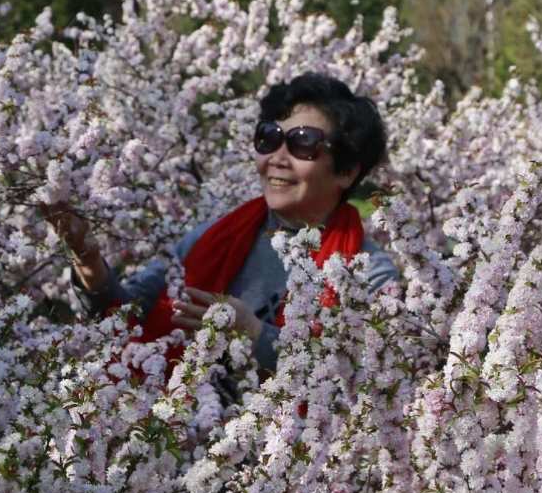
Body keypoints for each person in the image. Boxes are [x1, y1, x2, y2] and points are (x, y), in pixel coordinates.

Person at [45, 72, 398, 372]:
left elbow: (360, 377)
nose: (278, 158)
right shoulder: (214, 238)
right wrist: (88, 259)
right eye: (269, 138)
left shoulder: (367, 275)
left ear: (347, 171)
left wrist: (255, 334)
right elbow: (126, 316)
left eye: (303, 143)